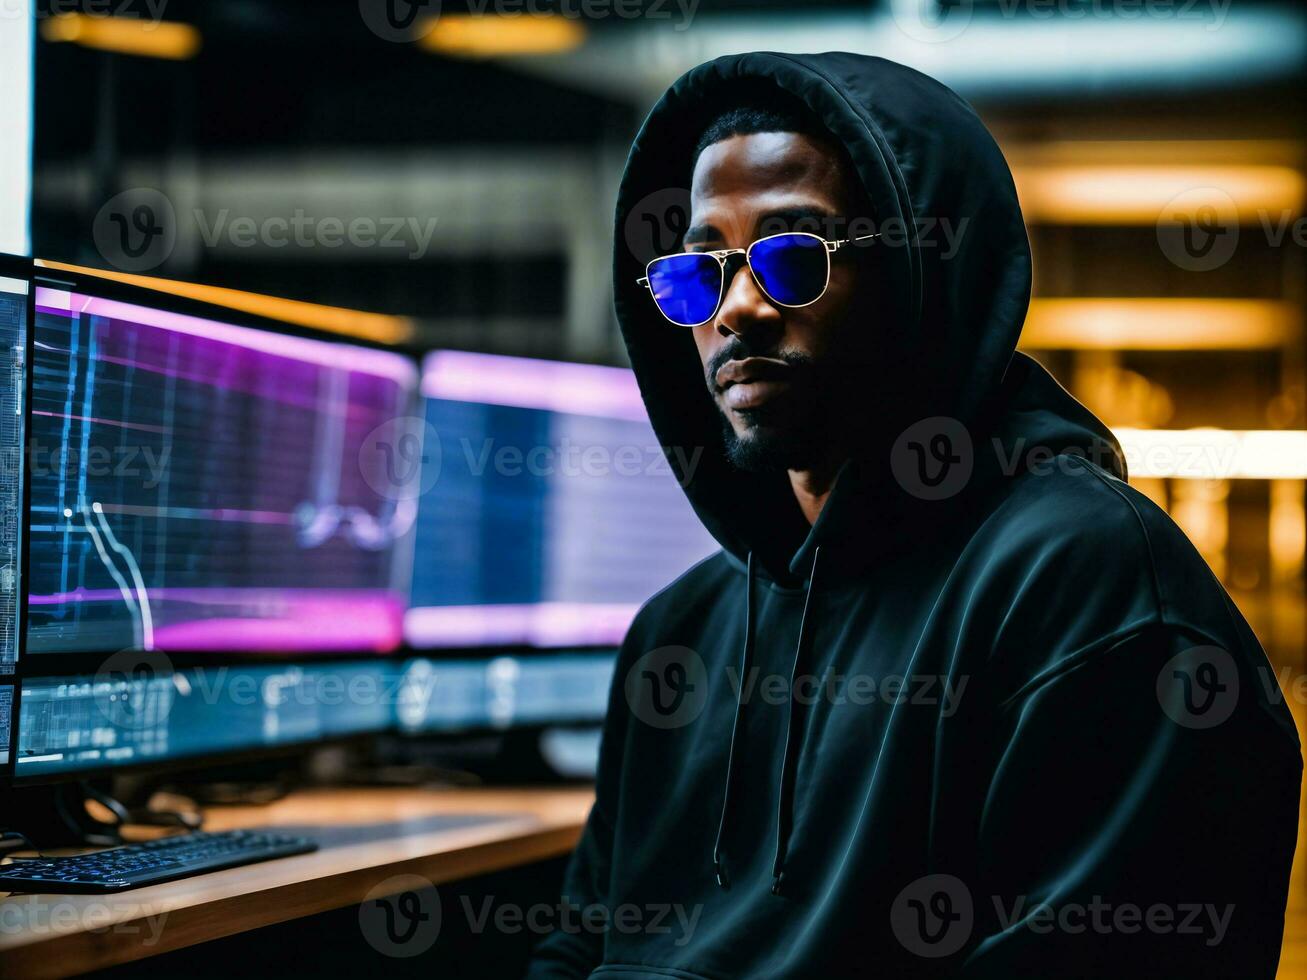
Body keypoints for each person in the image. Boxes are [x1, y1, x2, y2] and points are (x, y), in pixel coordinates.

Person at [526, 52, 1301, 978]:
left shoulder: (1088, 587)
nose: (737, 307)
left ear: (923, 275)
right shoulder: (676, 633)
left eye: (793, 256)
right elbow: (580, 949)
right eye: (699, 273)